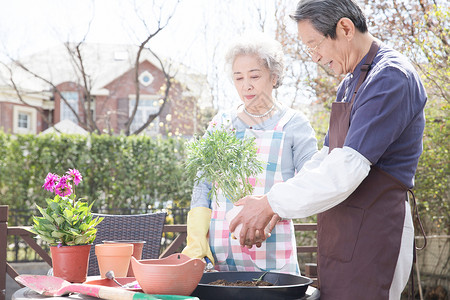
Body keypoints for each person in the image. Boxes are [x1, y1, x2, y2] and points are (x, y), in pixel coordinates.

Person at [229, 1, 427, 299]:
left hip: (374, 232)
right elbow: (325, 158)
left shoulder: (390, 77)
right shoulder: (350, 82)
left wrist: (272, 203)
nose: (315, 57)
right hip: (343, 234)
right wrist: (273, 204)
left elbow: (346, 169)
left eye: (314, 45)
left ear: (345, 28)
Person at [182, 32, 318, 275]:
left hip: (272, 250)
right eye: (238, 77)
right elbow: (203, 184)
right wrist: (196, 240)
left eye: (254, 76)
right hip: (220, 255)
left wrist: (273, 213)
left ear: (274, 77)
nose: (247, 85)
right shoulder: (221, 123)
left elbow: (311, 182)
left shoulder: (294, 124)